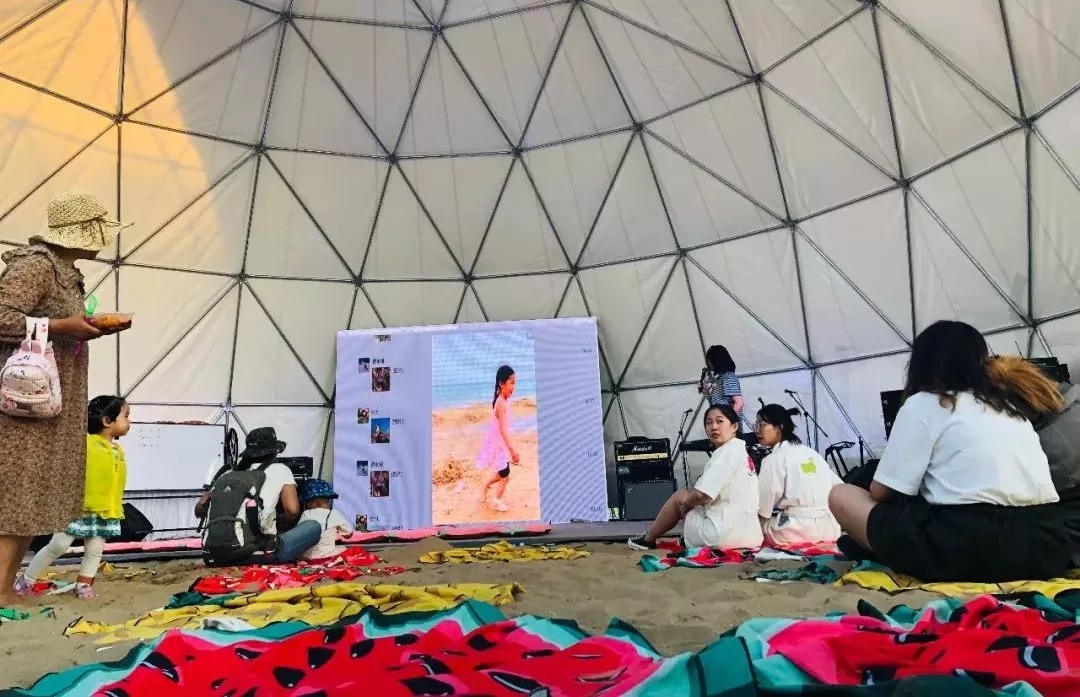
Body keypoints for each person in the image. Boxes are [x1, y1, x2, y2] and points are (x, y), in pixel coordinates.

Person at [828, 320, 1070, 582]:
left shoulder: (923, 403)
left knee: (842, 495)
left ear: (920, 363)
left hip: (970, 546)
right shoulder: (1009, 407)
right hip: (1046, 544)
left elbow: (880, 492)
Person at [0, 192, 131, 606]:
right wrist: (59, 326)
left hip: (52, 404)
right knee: (16, 496)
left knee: (32, 498)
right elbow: (2, 314)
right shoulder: (37, 265)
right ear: (83, 233)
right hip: (24, 408)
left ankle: (6, 587)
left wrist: (81, 326)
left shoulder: (66, 272)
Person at [15, 395, 131, 598]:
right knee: (59, 545)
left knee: (95, 548)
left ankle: (83, 586)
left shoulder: (117, 450)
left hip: (104, 509)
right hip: (77, 507)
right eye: (126, 416)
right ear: (107, 421)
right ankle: (27, 580)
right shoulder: (84, 444)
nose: (129, 421)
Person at [628, 404, 762, 551]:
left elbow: (701, 494)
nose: (714, 427)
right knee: (698, 504)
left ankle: (647, 539)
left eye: (720, 421)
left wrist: (685, 505)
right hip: (750, 537)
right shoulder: (740, 451)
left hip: (723, 537)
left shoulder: (726, 452)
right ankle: (686, 536)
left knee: (681, 497)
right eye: (709, 423)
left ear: (734, 426)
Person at [195, 427, 320, 564]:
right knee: (313, 526)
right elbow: (292, 510)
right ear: (274, 452)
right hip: (256, 554)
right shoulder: (281, 470)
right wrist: (278, 524)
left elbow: (200, 511)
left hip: (215, 556)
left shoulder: (228, 473)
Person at [754, 404, 841, 546]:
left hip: (796, 530)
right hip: (829, 529)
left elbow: (762, 505)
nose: (757, 430)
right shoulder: (812, 454)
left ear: (779, 427)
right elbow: (838, 488)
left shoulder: (773, 459)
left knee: (754, 526)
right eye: (756, 425)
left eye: (761, 425)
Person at [472, 365, 519, 513]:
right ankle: (496, 502)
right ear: (501, 383)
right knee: (505, 476)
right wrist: (512, 451)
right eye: (511, 383)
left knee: (503, 472)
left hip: (499, 444)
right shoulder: (501, 404)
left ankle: (485, 484)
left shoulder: (502, 400)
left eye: (515, 383)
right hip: (498, 446)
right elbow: (503, 431)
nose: (514, 387)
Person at [298, 479, 353, 561]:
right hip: (327, 556)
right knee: (343, 548)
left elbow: (298, 535)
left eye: (306, 501)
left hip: (308, 557)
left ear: (313, 501)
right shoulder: (334, 514)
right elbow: (349, 534)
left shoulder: (307, 513)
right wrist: (337, 529)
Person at [699, 345, 744, 416]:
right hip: (718, 419)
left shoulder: (728, 377)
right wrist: (706, 392)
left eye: (710, 360)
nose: (709, 364)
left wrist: (728, 419)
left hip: (727, 421)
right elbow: (714, 404)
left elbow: (739, 403)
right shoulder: (718, 379)